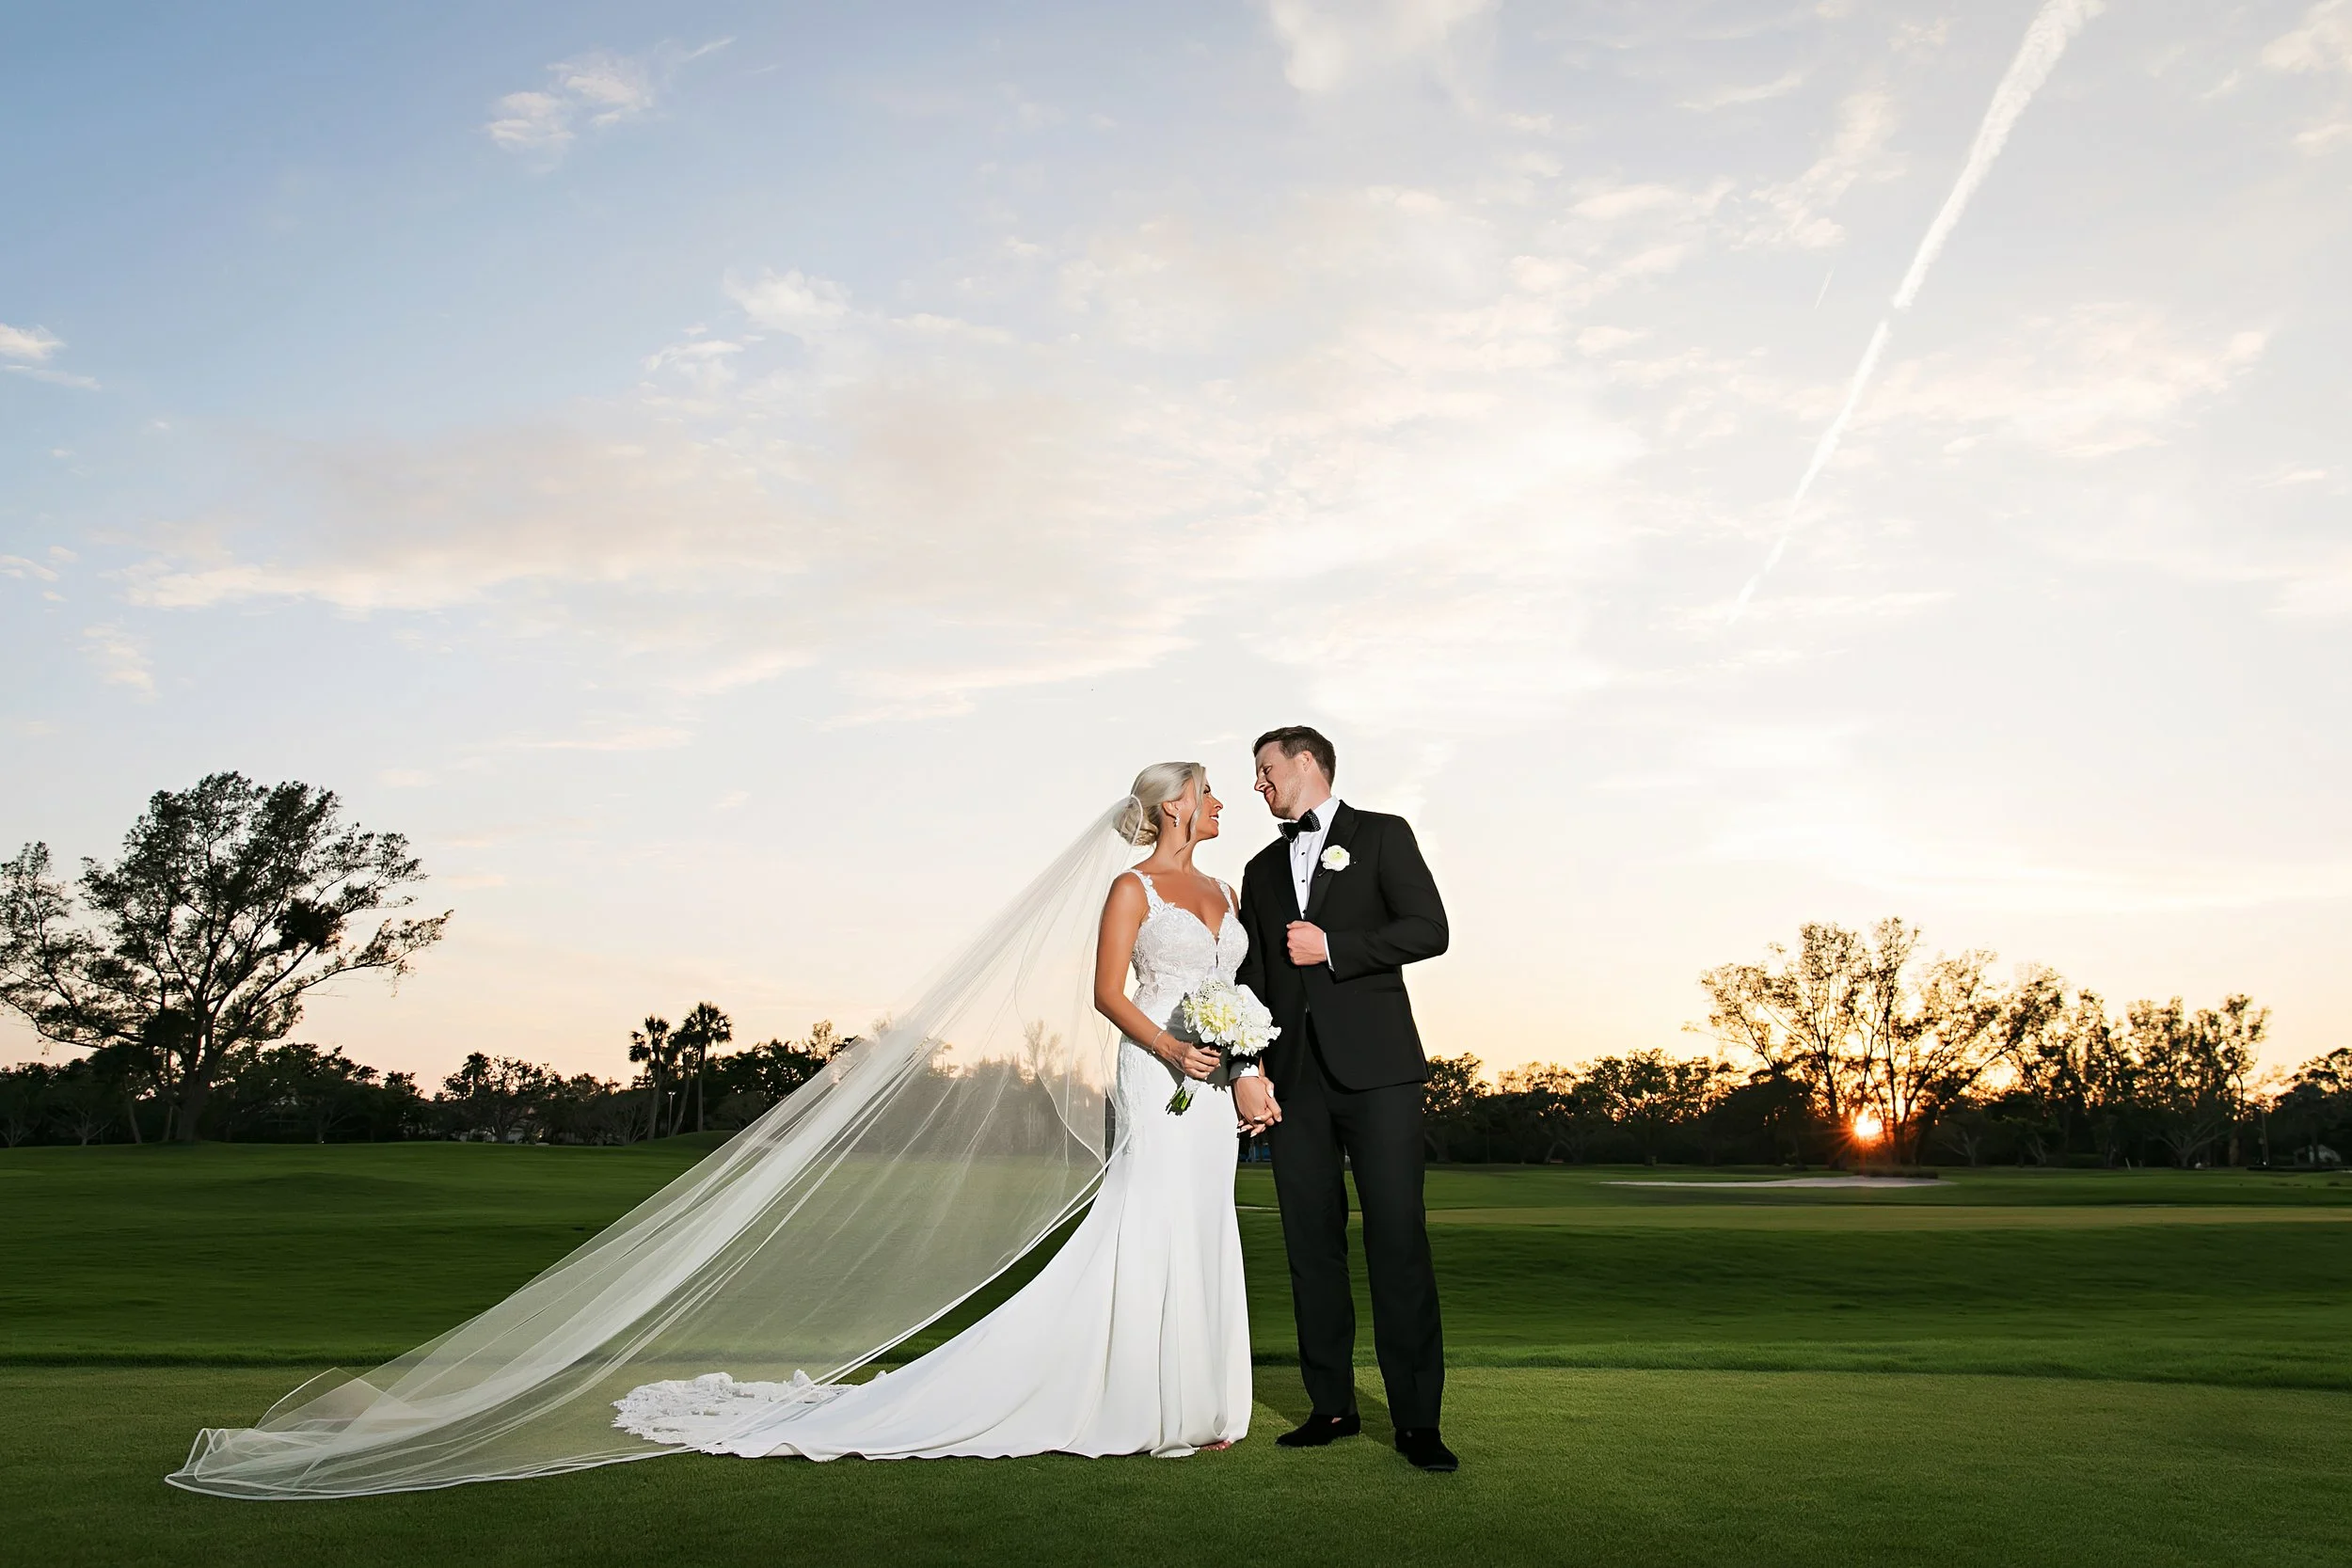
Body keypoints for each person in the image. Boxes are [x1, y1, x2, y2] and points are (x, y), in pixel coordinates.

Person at [603, 760, 1257, 1460]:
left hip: (1216, 1084)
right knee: (1151, 1212)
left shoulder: (1227, 888)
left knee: (1204, 1213)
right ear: (1173, 807)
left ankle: (1202, 1398)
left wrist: (1253, 1070)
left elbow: (1235, 999)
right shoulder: (1133, 888)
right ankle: (1142, 1398)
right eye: (1208, 790)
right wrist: (1165, 1048)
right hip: (1159, 1072)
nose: (1220, 801)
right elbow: (1107, 991)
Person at [1232, 725, 1456, 1473]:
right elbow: (1254, 980)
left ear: (1306, 762)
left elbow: (1431, 929)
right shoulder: (1259, 868)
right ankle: (1330, 1406)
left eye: (1265, 770)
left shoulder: (1384, 835)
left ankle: (1418, 1421)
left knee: (1397, 1239)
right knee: (1310, 1248)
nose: (1258, 785)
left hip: (1382, 1074)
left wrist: (1335, 948)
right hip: (1295, 1083)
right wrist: (1248, 1066)